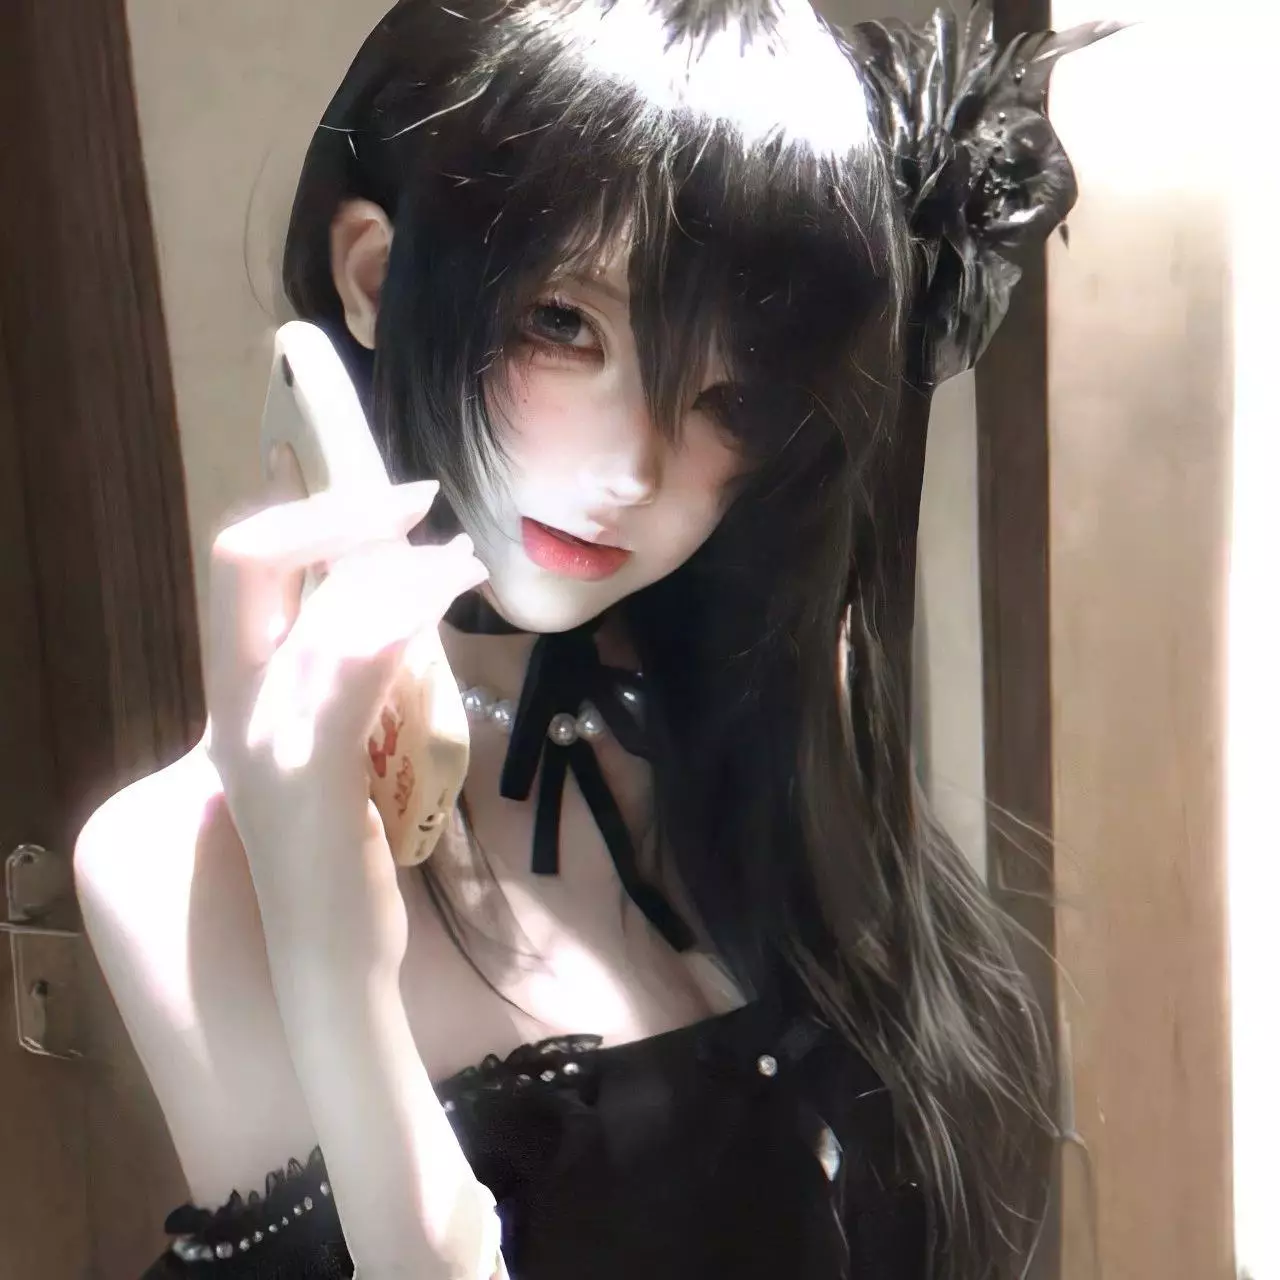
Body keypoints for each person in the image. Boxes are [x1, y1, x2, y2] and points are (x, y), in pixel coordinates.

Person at [73, 1, 1116, 1277]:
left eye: (730, 394)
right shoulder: (174, 863)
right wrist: (327, 953)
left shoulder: (748, 717)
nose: (633, 469)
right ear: (374, 276)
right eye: (564, 323)